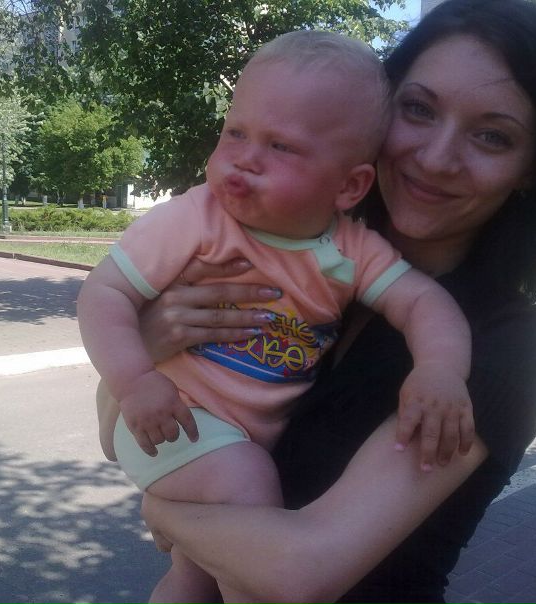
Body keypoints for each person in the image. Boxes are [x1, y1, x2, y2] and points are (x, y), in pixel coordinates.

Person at [137, 0, 536, 602]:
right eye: (419, 109)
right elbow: (124, 429)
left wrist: (167, 514)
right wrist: (146, 344)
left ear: (532, 169)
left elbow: (303, 571)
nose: (436, 158)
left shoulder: (505, 341)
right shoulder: (311, 264)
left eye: (492, 136)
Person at [78, 30, 475, 603]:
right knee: (249, 504)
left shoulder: (351, 249)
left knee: (193, 577)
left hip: (241, 437)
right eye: (235, 132)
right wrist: (135, 379)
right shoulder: (196, 218)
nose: (245, 158)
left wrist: (439, 369)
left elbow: (423, 302)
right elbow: (104, 293)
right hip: (175, 420)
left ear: (350, 185)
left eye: (281, 147)